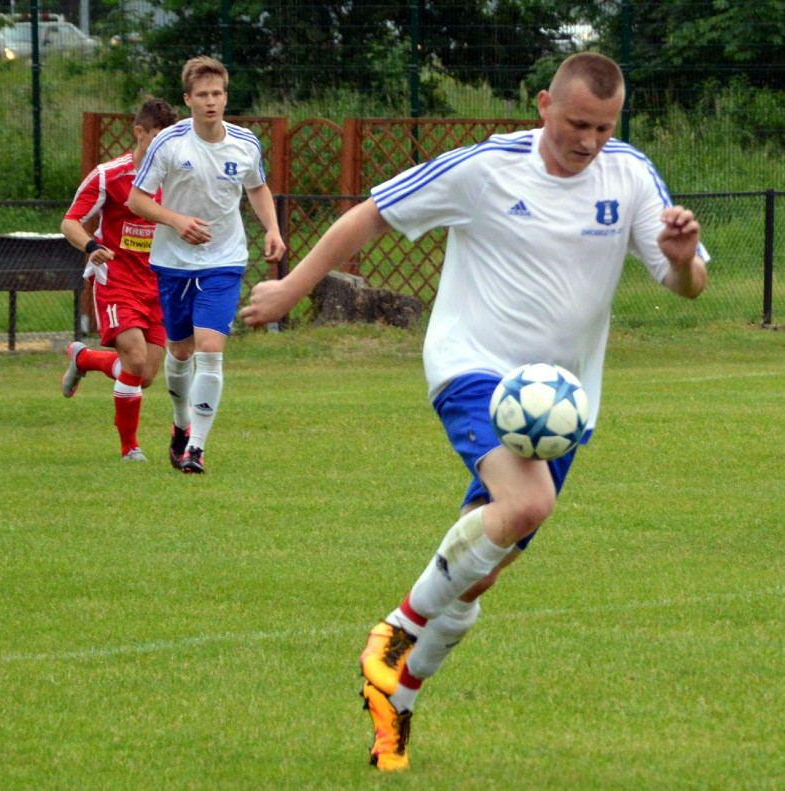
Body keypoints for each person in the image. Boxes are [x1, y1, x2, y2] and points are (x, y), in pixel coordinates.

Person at [240, 52, 709, 771]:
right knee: (525, 504)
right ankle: (394, 633)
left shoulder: (631, 174)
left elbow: (689, 286)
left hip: (561, 403)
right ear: (545, 103)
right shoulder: (485, 167)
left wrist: (681, 259)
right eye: (577, 122)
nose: (588, 141)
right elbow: (368, 217)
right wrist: (292, 289)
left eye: (604, 128)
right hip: (474, 366)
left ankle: (397, 696)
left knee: (477, 572)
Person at [128, 56, 286, 474]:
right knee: (180, 353)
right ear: (189, 99)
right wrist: (176, 221)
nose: (211, 102)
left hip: (224, 260)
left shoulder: (245, 143)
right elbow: (137, 199)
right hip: (174, 263)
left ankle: (196, 447)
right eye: (202, 95)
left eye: (217, 94)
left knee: (210, 350)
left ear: (225, 96)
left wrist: (272, 228)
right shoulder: (169, 143)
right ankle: (181, 426)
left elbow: (257, 187)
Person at [60, 98, 180, 462]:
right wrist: (91, 245)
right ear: (139, 133)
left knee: (143, 375)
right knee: (135, 357)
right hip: (118, 282)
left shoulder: (177, 180)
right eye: (156, 137)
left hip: (158, 285)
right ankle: (130, 449)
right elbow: (70, 222)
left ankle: (84, 359)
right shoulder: (109, 175)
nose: (163, 147)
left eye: (169, 139)